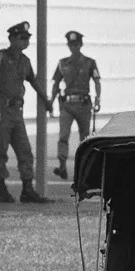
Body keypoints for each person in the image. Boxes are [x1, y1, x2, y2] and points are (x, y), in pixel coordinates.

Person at [0, 21, 52, 204]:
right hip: (2, 110)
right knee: (0, 150)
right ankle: (1, 188)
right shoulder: (1, 57)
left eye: (27, 38)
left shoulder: (24, 61)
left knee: (25, 150)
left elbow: (33, 81)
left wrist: (46, 100)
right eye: (22, 38)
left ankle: (27, 189)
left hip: (17, 112)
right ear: (11, 39)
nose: (25, 42)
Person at [50, 30, 101, 180]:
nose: (74, 47)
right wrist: (51, 102)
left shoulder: (89, 62)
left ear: (80, 44)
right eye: (71, 44)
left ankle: (84, 169)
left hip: (84, 104)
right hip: (67, 105)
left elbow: (97, 81)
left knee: (85, 138)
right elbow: (56, 83)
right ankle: (62, 166)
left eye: (76, 44)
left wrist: (98, 99)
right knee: (63, 135)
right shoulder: (62, 63)